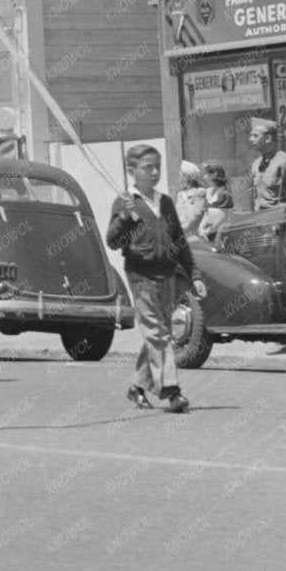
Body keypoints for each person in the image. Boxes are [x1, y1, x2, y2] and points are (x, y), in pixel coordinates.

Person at [106, 144, 204, 415]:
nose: (153, 172)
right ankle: (172, 393)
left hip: (168, 275)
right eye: (146, 168)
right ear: (132, 171)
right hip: (141, 276)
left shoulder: (165, 201)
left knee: (158, 334)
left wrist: (194, 275)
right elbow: (113, 242)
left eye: (157, 167)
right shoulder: (126, 202)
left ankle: (137, 387)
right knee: (158, 334)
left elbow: (180, 242)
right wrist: (124, 218)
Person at [250, 119, 286, 213]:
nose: (251, 139)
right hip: (258, 219)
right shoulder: (255, 164)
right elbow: (254, 197)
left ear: (268, 138)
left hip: (277, 221)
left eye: (255, 135)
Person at [172, 160, 210, 239]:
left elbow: (194, 217)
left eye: (180, 176)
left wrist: (178, 231)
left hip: (193, 237)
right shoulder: (180, 195)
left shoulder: (200, 193)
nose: (179, 179)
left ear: (187, 177)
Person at [199, 164, 234, 243]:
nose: (203, 177)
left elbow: (222, 218)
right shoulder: (208, 192)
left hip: (219, 236)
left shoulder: (225, 195)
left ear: (214, 175)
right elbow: (206, 214)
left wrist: (206, 232)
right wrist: (201, 230)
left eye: (205, 174)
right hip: (207, 235)